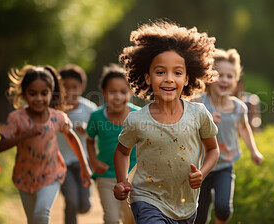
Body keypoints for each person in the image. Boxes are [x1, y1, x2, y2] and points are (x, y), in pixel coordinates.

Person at [113, 21, 220, 224]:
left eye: (177, 73)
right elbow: (122, 151)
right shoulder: (137, 120)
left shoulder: (198, 114)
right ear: (148, 77)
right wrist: (122, 181)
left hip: (185, 204)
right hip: (146, 198)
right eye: (160, 72)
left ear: (187, 78)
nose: (169, 79)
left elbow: (213, 150)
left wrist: (202, 173)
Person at [0, 65, 92, 224]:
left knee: (42, 213)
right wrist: (25, 135)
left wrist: (84, 166)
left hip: (51, 174)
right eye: (33, 93)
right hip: (24, 176)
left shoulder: (57, 117)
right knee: (32, 219)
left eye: (44, 93)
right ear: (24, 93)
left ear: (51, 93)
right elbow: (1, 146)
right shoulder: (16, 118)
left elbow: (72, 137)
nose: (39, 99)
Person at [192, 48, 264, 224]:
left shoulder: (239, 107)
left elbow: (244, 129)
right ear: (209, 77)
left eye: (229, 76)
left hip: (225, 165)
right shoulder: (198, 103)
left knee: (224, 208)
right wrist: (205, 121)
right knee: (199, 216)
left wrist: (254, 151)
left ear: (236, 81)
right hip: (200, 167)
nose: (224, 80)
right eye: (219, 75)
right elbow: (185, 128)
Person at [86, 63, 139, 224]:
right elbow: (89, 140)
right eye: (112, 92)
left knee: (131, 219)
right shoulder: (96, 117)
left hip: (133, 176)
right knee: (111, 219)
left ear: (130, 92)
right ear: (103, 93)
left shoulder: (138, 115)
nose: (117, 96)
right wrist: (94, 162)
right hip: (106, 175)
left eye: (123, 92)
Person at [57, 64, 97, 224]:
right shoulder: (55, 109)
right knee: (72, 200)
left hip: (83, 162)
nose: (69, 91)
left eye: (74, 87)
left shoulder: (89, 109)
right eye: (65, 87)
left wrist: (86, 130)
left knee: (84, 206)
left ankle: (83, 201)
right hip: (61, 163)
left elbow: (96, 132)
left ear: (82, 87)